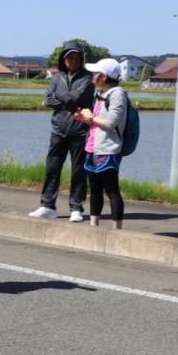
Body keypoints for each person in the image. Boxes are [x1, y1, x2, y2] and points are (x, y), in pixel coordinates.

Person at [31, 41, 94, 222]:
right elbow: (48, 100)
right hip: (58, 130)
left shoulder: (88, 78)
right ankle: (47, 206)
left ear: (81, 59)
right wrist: (69, 103)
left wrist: (58, 94)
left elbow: (78, 96)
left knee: (78, 171)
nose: (73, 60)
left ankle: (76, 208)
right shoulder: (56, 77)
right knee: (52, 168)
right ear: (63, 59)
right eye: (69, 57)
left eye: (76, 57)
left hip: (80, 131)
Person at [75, 58, 128, 230]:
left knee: (112, 190)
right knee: (95, 189)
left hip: (108, 149)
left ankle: (116, 230)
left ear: (104, 77)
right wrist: (83, 118)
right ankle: (93, 227)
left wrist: (90, 116)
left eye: (95, 73)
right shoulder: (100, 94)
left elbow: (110, 123)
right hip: (93, 148)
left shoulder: (117, 95)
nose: (92, 75)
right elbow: (97, 122)